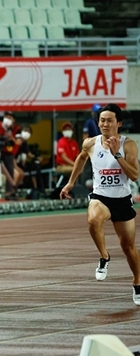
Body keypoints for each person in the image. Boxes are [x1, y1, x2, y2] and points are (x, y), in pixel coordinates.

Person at [60, 104, 140, 306]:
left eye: (109, 120)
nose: (105, 124)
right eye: (102, 120)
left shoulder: (128, 145)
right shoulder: (90, 143)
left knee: (129, 248)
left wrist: (117, 155)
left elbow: (134, 175)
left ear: (119, 123)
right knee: (93, 219)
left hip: (121, 199)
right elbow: (81, 158)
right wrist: (71, 182)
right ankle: (104, 257)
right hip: (101, 197)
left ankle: (137, 282)